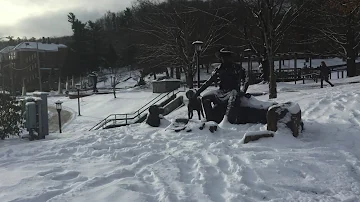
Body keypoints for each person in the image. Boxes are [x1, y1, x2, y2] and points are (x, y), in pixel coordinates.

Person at [193, 48, 249, 125]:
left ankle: (228, 122)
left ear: (230, 58)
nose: (224, 59)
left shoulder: (237, 68)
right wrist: (197, 93)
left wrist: (243, 90)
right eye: (222, 57)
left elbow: (247, 79)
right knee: (205, 97)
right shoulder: (218, 69)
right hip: (221, 91)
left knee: (233, 97)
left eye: (226, 57)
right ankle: (210, 120)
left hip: (233, 90)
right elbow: (208, 82)